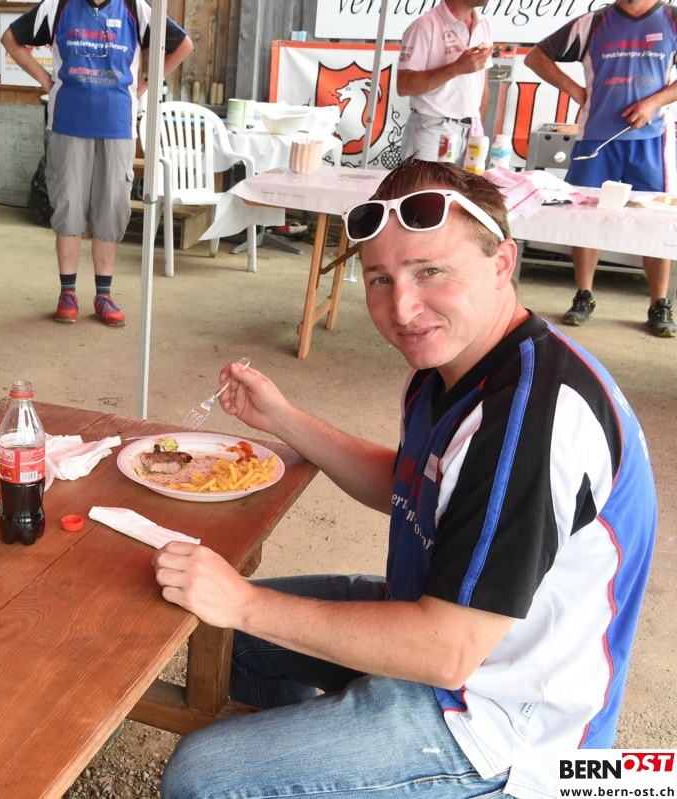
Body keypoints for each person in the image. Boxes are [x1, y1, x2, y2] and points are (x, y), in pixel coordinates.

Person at [154, 159, 657, 799]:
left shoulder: (532, 419)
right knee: (238, 641)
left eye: (431, 272)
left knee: (204, 774)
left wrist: (243, 601)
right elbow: (412, 484)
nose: (403, 307)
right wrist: (280, 418)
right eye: (380, 279)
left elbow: (446, 651)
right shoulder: (455, 364)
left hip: (504, 721)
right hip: (444, 633)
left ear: (502, 262)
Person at [1, 0, 193, 327]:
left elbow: (183, 45)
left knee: (110, 209)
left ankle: (104, 295)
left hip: (117, 126)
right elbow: (11, 38)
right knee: (68, 208)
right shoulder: (58, 5)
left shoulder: (136, 7)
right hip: (67, 124)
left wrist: (144, 83)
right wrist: (46, 80)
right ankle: (68, 293)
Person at [525, 0, 677, 337]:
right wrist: (575, 91)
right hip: (594, 138)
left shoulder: (672, 18)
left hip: (650, 140)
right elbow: (535, 57)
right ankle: (583, 295)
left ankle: (660, 303)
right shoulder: (592, 22)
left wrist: (654, 102)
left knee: (656, 218)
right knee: (585, 216)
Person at [396, 0, 493, 164]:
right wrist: (456, 68)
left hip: (471, 132)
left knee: (464, 183)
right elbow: (404, 85)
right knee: (426, 182)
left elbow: (482, 84)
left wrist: (477, 126)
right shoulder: (424, 26)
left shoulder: (484, 24)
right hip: (432, 129)